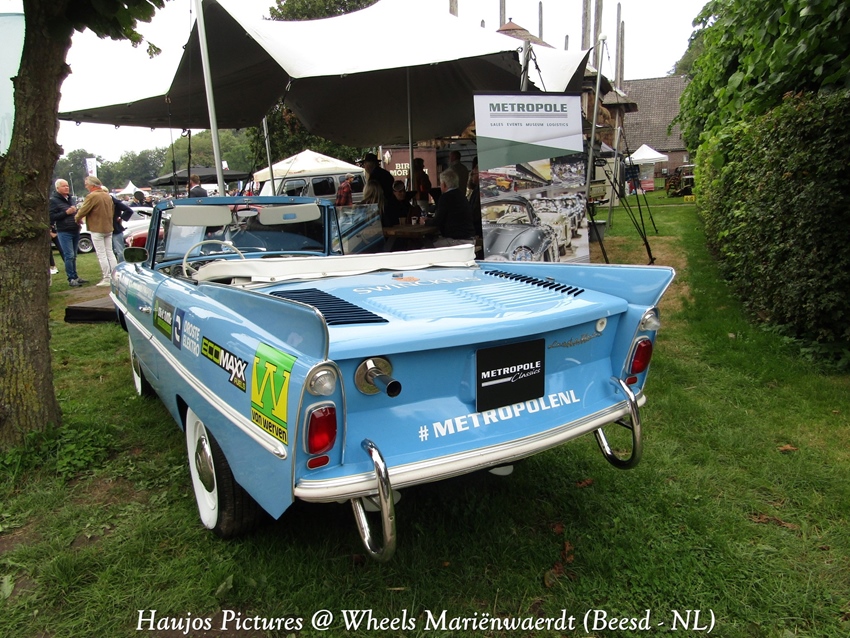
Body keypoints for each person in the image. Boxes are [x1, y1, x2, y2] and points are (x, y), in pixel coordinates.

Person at [75, 176, 117, 286]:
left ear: (92, 185)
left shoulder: (92, 196)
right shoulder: (107, 196)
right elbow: (112, 211)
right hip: (108, 227)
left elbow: (83, 210)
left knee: (101, 254)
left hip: (97, 228)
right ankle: (115, 275)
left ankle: (107, 277)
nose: (86, 186)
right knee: (110, 252)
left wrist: (77, 218)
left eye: (87, 184)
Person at [49, 178, 87, 287]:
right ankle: (71, 278)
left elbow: (74, 211)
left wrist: (78, 218)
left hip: (75, 228)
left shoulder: (71, 198)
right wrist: (66, 212)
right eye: (64, 186)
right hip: (64, 230)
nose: (67, 188)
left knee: (74, 255)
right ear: (57, 188)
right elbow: (51, 216)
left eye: (67, 186)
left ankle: (75, 276)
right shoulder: (53, 200)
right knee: (69, 255)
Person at [427, 168, 475, 247]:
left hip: (458, 240)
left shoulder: (445, 197)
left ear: (444, 184)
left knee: (425, 248)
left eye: (440, 183)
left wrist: (425, 222)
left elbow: (437, 221)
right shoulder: (461, 195)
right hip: (470, 238)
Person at [108, 188, 136, 263]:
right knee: (110, 251)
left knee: (120, 250)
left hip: (116, 229)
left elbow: (129, 210)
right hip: (107, 229)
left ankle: (122, 264)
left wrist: (121, 217)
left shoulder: (115, 203)